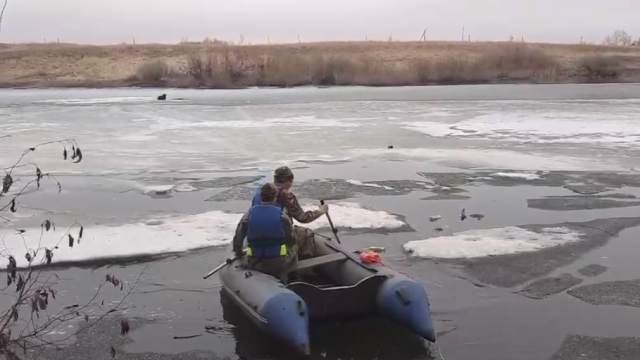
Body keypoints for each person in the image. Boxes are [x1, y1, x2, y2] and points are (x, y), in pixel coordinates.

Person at [233, 183, 295, 278]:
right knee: (294, 248)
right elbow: (291, 240)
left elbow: (238, 237)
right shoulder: (282, 216)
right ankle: (290, 277)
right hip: (277, 262)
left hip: (254, 260)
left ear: (261, 196)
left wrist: (239, 253)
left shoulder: (249, 215)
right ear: (275, 197)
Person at [271, 166, 327, 258]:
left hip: (260, 233)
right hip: (280, 235)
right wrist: (321, 211)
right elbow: (303, 218)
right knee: (307, 233)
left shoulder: (262, 192)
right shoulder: (287, 195)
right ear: (289, 180)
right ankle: (301, 261)